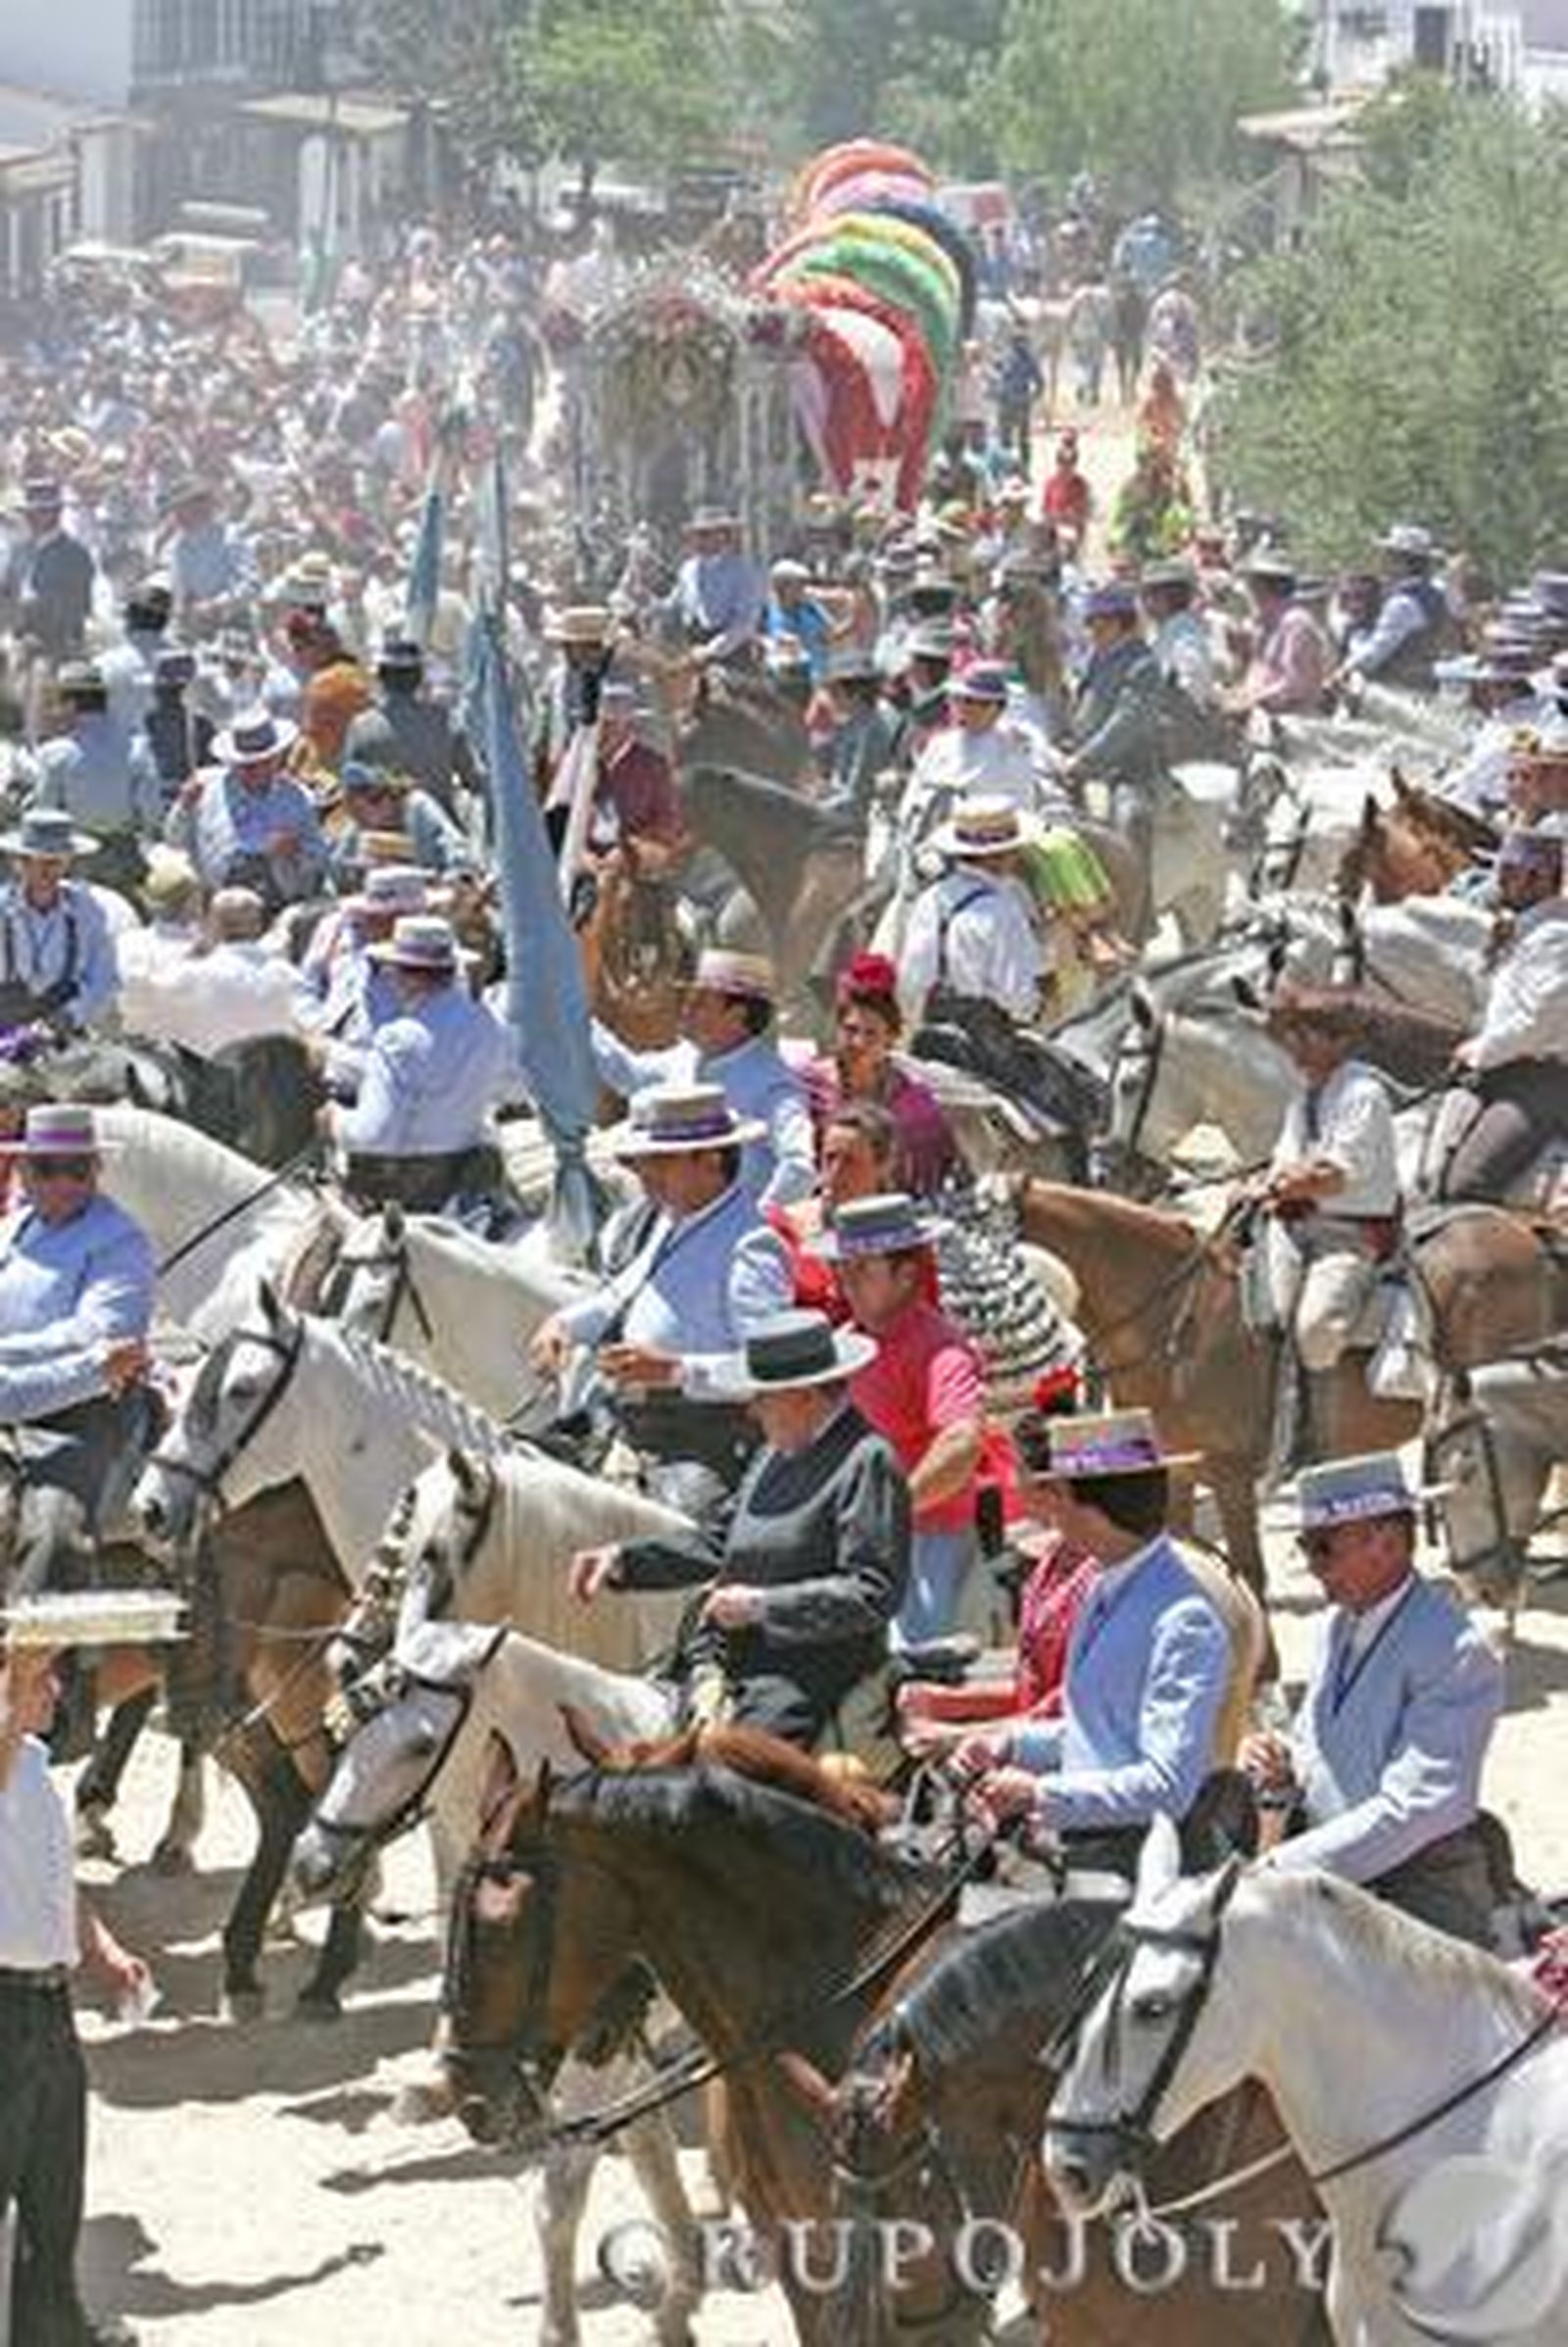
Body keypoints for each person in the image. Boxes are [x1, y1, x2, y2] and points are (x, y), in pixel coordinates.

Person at [568, 1308, 908, 1747]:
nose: (750, 1409)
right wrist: (623, 1560)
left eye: (762, 1396)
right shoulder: (774, 1453)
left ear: (804, 1395)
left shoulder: (867, 1460)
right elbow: (717, 1541)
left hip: (808, 1671)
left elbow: (873, 1591)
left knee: (734, 1776)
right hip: (728, 1650)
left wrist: (762, 1606)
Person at [953, 1406, 1233, 1871]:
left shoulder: (1184, 1619)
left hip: (1138, 1872)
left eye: (1057, 1495)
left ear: (1087, 1506)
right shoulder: (1107, 1586)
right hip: (1088, 1849)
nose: (1050, 1513)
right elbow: (1100, 1735)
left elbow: (1167, 1787)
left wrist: (1038, 1792)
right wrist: (1011, 1744)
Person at [1243, 1451, 1504, 1944]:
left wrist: (1279, 1867)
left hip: (1417, 1895)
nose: (1312, 1567)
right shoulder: (1335, 1628)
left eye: (1323, 1549)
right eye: (1306, 1547)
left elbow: (1418, 1808)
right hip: (1325, 1876)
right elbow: (1320, 1749)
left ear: (1385, 1542)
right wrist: (1284, 1760)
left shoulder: (1455, 1652)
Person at [528, 1084, 792, 1510]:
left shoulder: (750, 1244)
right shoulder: (671, 1221)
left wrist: (675, 1370)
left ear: (710, 1159)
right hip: (630, 1422)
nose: (645, 1173)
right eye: (642, 1161)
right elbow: (620, 1294)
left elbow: (770, 1369)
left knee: (662, 1547)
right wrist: (564, 1325)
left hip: (701, 1445)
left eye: (660, 1160)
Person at [0, 1630, 149, 2347]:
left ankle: (50, 2331)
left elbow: (58, 1876)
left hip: (49, 2008)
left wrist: (104, 1949)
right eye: (39, 1681)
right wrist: (9, 1686)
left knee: (55, 2187)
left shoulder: (32, 1765)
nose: (56, 1691)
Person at [0, 1104, 156, 1598]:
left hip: (83, 1416)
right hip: (14, 1398)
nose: (64, 1182)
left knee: (53, 1526)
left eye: (79, 1168)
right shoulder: (13, 1230)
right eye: (48, 1169)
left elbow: (97, 1339)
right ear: (24, 1171)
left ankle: (34, 1665)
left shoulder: (120, 1241)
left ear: (97, 1169)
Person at [819, 1192, 985, 1647]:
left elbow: (962, 1442)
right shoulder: (842, 1347)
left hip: (930, 1540)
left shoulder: (940, 1349)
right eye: (842, 1269)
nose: (845, 1283)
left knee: (919, 1655)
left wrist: (893, 1511)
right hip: (847, 1535)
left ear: (905, 1274)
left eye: (862, 1270)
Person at [1250, 987, 1401, 1379]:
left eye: (1304, 1035)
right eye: (1291, 1035)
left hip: (1349, 1235)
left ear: (1340, 1041)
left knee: (1314, 1331)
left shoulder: (1363, 1094)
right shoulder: (1303, 1097)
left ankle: (1317, 1418)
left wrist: (1277, 1187)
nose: (1293, 1045)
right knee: (1251, 1306)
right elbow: (1285, 1161)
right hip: (1292, 1225)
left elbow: (1332, 1177)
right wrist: (1261, 1184)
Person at [590, 949, 815, 1211]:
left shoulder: (772, 1084)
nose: (686, 1008)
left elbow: (799, 1167)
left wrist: (755, 1222)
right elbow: (627, 1075)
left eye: (700, 1001)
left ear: (737, 1015)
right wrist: (573, 1014)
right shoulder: (684, 1058)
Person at [324, 914, 512, 1212]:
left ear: (402, 974)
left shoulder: (397, 1038)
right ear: (451, 970)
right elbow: (507, 1088)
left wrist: (334, 1121)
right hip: (463, 1182)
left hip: (400, 1189)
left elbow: (374, 1135)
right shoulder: (490, 1024)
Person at [1444, 827, 1567, 1199]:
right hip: (1505, 1069)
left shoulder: (1557, 936)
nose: (1499, 882)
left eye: (1508, 873)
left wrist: (1481, 1051)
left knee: (1467, 1184)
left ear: (1537, 878)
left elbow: (1539, 1023)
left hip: (1543, 1082)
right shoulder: (1526, 928)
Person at [802, 951, 959, 1198]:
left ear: (891, 1039)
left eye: (871, 1033)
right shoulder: (809, 1086)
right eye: (850, 1030)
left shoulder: (916, 1107)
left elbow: (926, 1180)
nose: (858, 1042)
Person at [901, 796, 1051, 1031]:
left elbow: (913, 978)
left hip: (932, 1030)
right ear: (1001, 855)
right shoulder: (1002, 910)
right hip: (988, 1042)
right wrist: (1034, 1008)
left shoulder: (930, 899)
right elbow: (1018, 996)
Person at [169, 707, 326, 910]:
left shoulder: (298, 798)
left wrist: (293, 852)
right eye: (245, 765)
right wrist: (183, 807)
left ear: (276, 758)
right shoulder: (206, 789)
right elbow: (174, 839)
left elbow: (318, 860)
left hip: (278, 902)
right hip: (218, 903)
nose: (254, 770)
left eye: (262, 762)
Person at [29, 663, 162, 893]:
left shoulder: (56, 754)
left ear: (71, 705)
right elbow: (152, 813)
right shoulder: (137, 746)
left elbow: (45, 811)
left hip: (76, 857)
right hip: (123, 855)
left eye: (59, 703)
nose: (56, 711)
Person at [0, 810, 118, 1034]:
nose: (48, 871)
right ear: (21, 864)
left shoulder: (86, 910)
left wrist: (73, 1014)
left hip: (68, 1030)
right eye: (40, 862)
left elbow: (105, 977)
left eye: (56, 862)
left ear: (67, 864)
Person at [1340, 524, 1456, 693]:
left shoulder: (1401, 605)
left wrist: (1353, 642)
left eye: (1389, 557)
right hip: (1425, 683)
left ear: (1401, 562)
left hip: (1396, 689)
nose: (1384, 563)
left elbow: (1373, 655)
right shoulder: (1437, 593)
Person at [0, 478, 95, 663]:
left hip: (58, 646)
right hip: (19, 643)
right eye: (31, 512)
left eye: (42, 511)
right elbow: (7, 593)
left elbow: (77, 605)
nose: (33, 517)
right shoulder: (20, 550)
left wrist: (37, 624)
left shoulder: (74, 555)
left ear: (56, 513)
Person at [1228, 552, 1331, 719]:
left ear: (1261, 587)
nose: (1248, 592)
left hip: (1292, 723)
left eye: (1251, 584)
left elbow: (1297, 683)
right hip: (1262, 714)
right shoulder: (1265, 623)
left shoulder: (1296, 624)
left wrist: (1252, 700)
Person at [665, 507, 763, 669]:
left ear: (722, 536)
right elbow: (673, 606)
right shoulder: (687, 569)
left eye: (704, 535)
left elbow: (745, 622)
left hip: (730, 654)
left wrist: (712, 650)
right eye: (696, 535)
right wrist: (647, 602)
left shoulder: (743, 572)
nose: (698, 541)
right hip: (691, 649)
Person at [761, 559, 833, 681]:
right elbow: (778, 635)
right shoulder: (774, 611)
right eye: (797, 584)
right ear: (782, 587)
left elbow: (830, 628)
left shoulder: (811, 607)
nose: (802, 588)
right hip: (794, 675)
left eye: (802, 584)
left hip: (823, 669)